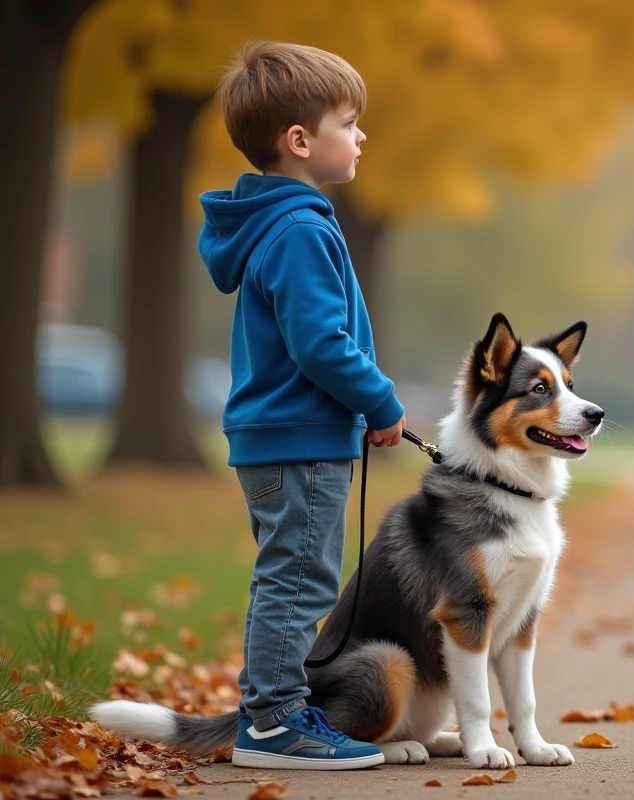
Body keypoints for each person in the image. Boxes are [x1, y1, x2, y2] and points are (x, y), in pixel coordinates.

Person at [198, 41, 404, 770]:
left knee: (287, 573)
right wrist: (379, 401)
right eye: (349, 122)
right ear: (300, 141)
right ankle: (276, 723)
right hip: (303, 440)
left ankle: (276, 706)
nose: (361, 136)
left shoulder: (275, 224)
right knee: (299, 579)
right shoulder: (301, 229)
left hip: (278, 436)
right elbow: (320, 343)